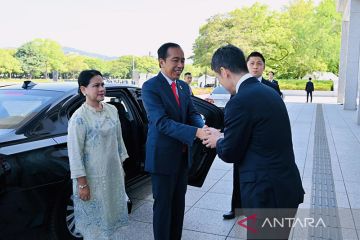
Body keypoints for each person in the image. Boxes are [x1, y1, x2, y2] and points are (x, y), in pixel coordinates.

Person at [203, 45, 304, 239]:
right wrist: (224, 135)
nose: (221, 82)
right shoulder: (269, 92)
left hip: (266, 195)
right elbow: (259, 136)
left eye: (218, 77)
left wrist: (218, 140)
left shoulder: (240, 100)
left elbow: (230, 152)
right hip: (284, 187)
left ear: (224, 72)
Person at [141, 42, 206, 240]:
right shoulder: (151, 87)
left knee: (178, 206)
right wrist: (196, 132)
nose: (180, 65)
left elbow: (192, 113)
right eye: (175, 60)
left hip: (182, 157)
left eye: (183, 60)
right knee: (163, 208)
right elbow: (161, 122)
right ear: (161, 62)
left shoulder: (184, 87)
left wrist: (203, 127)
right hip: (162, 159)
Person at [67, 70, 129, 240]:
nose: (101, 88)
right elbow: (74, 154)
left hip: (112, 175)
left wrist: (120, 169)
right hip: (91, 180)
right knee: (94, 226)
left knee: (110, 220)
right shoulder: (79, 118)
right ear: (83, 90)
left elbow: (118, 142)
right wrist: (82, 185)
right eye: (96, 85)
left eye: (102, 85)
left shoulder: (112, 111)